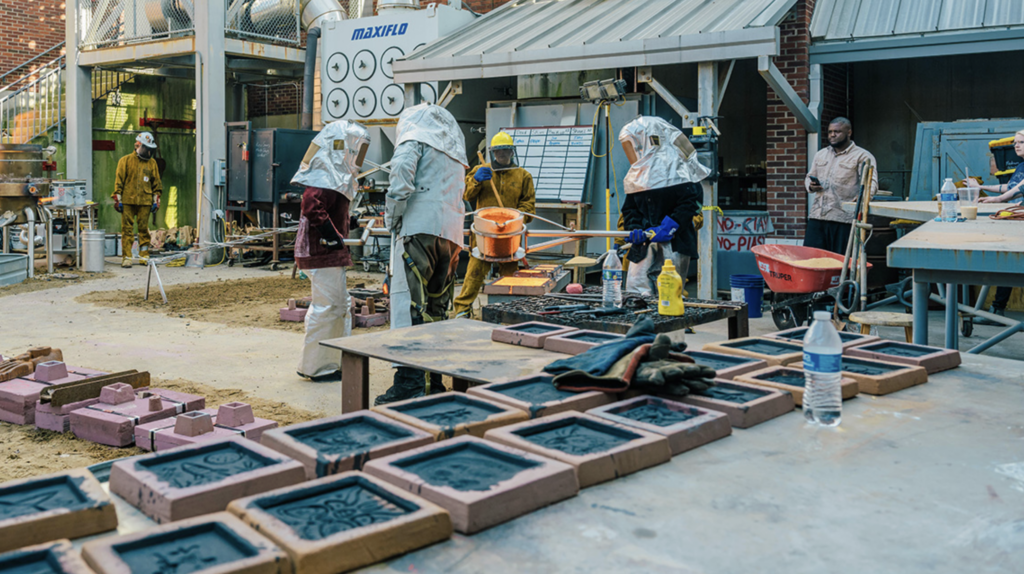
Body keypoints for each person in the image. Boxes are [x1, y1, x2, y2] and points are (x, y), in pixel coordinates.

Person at [375, 103, 468, 405]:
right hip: (451, 235)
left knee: (409, 305)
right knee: (437, 309)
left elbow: (401, 173)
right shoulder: (453, 149)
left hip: (418, 230)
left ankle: (410, 383)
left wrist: (392, 214)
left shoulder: (414, 139)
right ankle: (434, 382)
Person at [291, 120, 370, 380]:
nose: (358, 156)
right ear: (344, 147)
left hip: (326, 253)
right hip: (321, 252)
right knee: (328, 308)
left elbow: (327, 208)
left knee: (339, 306)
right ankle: (316, 367)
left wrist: (349, 222)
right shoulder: (324, 174)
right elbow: (311, 205)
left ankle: (333, 362)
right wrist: (332, 236)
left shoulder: (333, 175)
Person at [619, 116, 708, 295]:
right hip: (643, 245)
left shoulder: (679, 171)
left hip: (674, 243)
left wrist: (671, 225)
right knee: (636, 295)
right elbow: (630, 209)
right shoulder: (638, 175)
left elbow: (692, 203)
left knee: (669, 296)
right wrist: (634, 228)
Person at [452, 131, 536, 318]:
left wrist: (516, 217)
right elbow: (466, 195)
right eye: (498, 152)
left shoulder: (523, 176)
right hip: (484, 234)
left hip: (510, 235)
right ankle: (462, 310)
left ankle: (511, 311)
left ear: (512, 152)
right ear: (492, 153)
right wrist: (475, 181)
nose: (502, 155)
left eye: (505, 151)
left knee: (510, 277)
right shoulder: (482, 170)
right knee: (474, 273)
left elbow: (529, 206)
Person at [966, 130, 1024, 319]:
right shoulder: (1022, 166)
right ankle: (997, 310)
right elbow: (1010, 187)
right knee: (1007, 262)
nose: (1016, 146)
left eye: (1021, 142)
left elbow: (1019, 190)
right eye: (1015, 142)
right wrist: (981, 188)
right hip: (1018, 223)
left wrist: (997, 200)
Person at [804, 117, 877, 255]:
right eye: (830, 131)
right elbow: (809, 177)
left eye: (837, 131)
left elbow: (871, 183)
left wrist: (862, 198)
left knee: (840, 262)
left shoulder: (862, 156)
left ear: (849, 132)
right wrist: (811, 185)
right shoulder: (821, 154)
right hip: (818, 216)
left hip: (843, 218)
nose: (832, 135)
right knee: (812, 259)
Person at [113, 132, 162, 267]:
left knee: (143, 230)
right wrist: (118, 199)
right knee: (127, 230)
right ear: (138, 146)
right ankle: (127, 257)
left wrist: (155, 200)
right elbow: (119, 182)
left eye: (150, 149)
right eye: (147, 148)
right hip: (128, 201)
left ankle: (144, 256)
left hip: (145, 202)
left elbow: (157, 184)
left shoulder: (152, 164)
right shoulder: (125, 161)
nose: (149, 152)